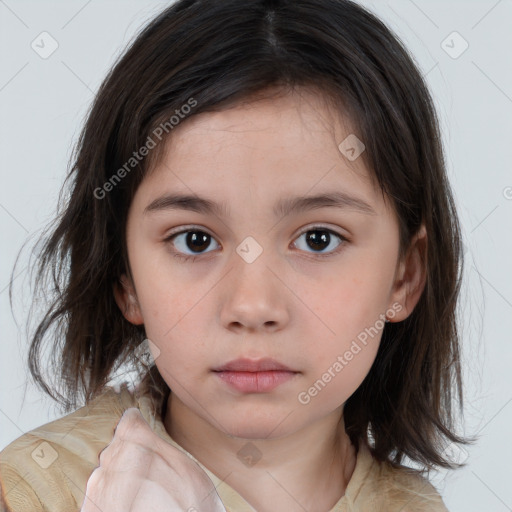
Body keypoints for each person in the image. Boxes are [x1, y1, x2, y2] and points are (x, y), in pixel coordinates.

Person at [0, 0, 475, 510]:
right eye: (195, 240)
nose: (252, 307)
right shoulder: (33, 493)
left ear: (405, 276)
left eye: (318, 239)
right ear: (127, 279)